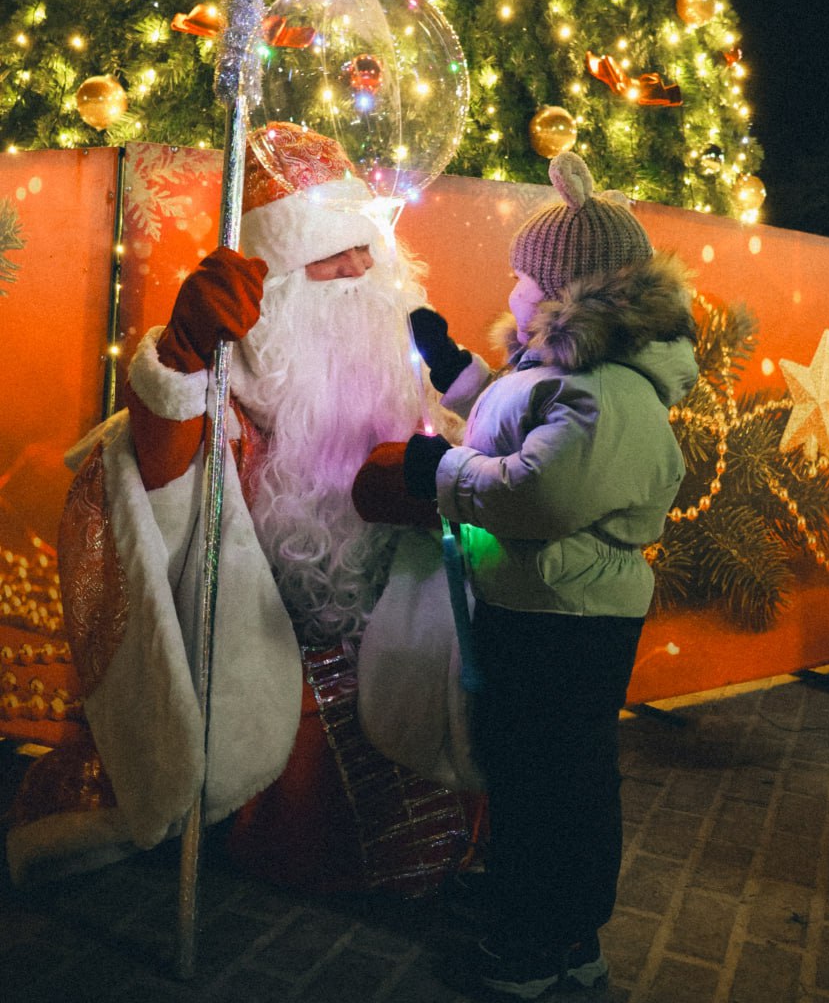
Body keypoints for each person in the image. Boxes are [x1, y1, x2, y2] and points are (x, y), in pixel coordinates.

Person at [6, 122, 483, 894]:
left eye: (366, 248)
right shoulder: (233, 396)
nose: (361, 268)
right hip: (272, 661)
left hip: (396, 639)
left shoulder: (399, 369)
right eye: (332, 255)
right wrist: (180, 356)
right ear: (279, 281)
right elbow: (151, 482)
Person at [354, 150, 698, 999]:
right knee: (525, 768)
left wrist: (437, 470)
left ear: (565, 289)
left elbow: (542, 492)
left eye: (521, 276)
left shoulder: (608, 391)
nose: (509, 289)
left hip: (567, 619)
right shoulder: (572, 373)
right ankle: (533, 906)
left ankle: (545, 942)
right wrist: (453, 368)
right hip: (541, 605)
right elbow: (519, 419)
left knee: (554, 781)